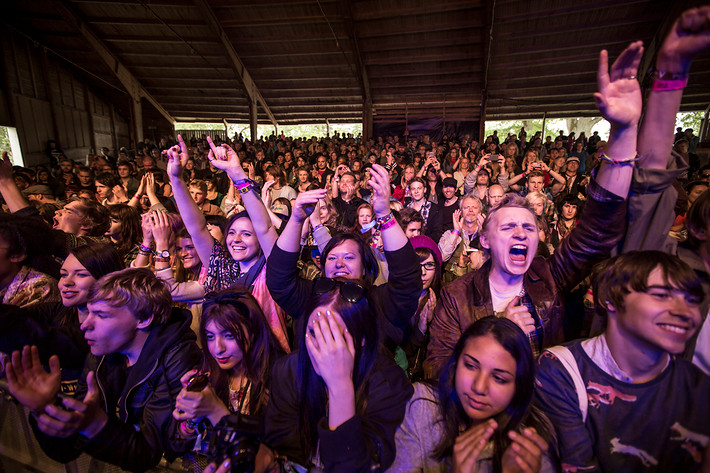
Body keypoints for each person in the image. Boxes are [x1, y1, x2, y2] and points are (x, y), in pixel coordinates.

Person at [424, 40, 641, 378]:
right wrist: (497, 335)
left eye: (527, 227)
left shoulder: (549, 279)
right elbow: (436, 368)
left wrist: (624, 132)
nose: (521, 233)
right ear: (485, 239)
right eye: (508, 227)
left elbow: (598, 231)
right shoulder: (457, 295)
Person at [4, 268, 202, 471]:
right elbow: (66, 451)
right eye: (89, 312)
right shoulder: (102, 354)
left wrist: (97, 426)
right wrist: (46, 407)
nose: (85, 325)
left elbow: (148, 454)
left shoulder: (179, 357)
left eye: (101, 315)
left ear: (144, 318)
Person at [535, 251, 710, 472]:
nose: (685, 311)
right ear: (610, 298)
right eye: (661, 295)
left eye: (692, 300)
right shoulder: (562, 371)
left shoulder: (699, 388)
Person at [255, 282, 413, 472]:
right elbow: (284, 454)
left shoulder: (390, 383)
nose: (323, 347)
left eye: (334, 336)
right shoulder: (288, 370)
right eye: (314, 333)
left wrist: (340, 386)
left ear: (362, 338)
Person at [266, 164, 421, 353]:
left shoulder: (378, 303)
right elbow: (278, 279)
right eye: (331, 258)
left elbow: (408, 280)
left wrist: (384, 214)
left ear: (365, 267)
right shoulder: (309, 298)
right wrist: (297, 220)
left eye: (348, 257)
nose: (339, 263)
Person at [165, 136, 290, 353]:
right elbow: (197, 228)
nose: (236, 240)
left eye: (246, 234)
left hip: (266, 362)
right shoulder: (222, 268)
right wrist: (176, 179)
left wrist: (237, 175)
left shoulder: (272, 268)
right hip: (224, 359)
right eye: (232, 232)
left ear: (259, 240)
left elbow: (265, 227)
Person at [387, 317, 555, 473]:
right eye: (470, 366)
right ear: (456, 363)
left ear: (519, 386)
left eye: (498, 378)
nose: (479, 387)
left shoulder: (533, 439)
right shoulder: (421, 404)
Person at [171, 290, 285, 466]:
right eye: (210, 337)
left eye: (229, 335)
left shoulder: (279, 375)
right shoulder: (210, 374)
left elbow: (275, 457)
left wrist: (215, 410)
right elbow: (177, 445)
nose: (218, 348)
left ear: (253, 331)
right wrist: (192, 417)